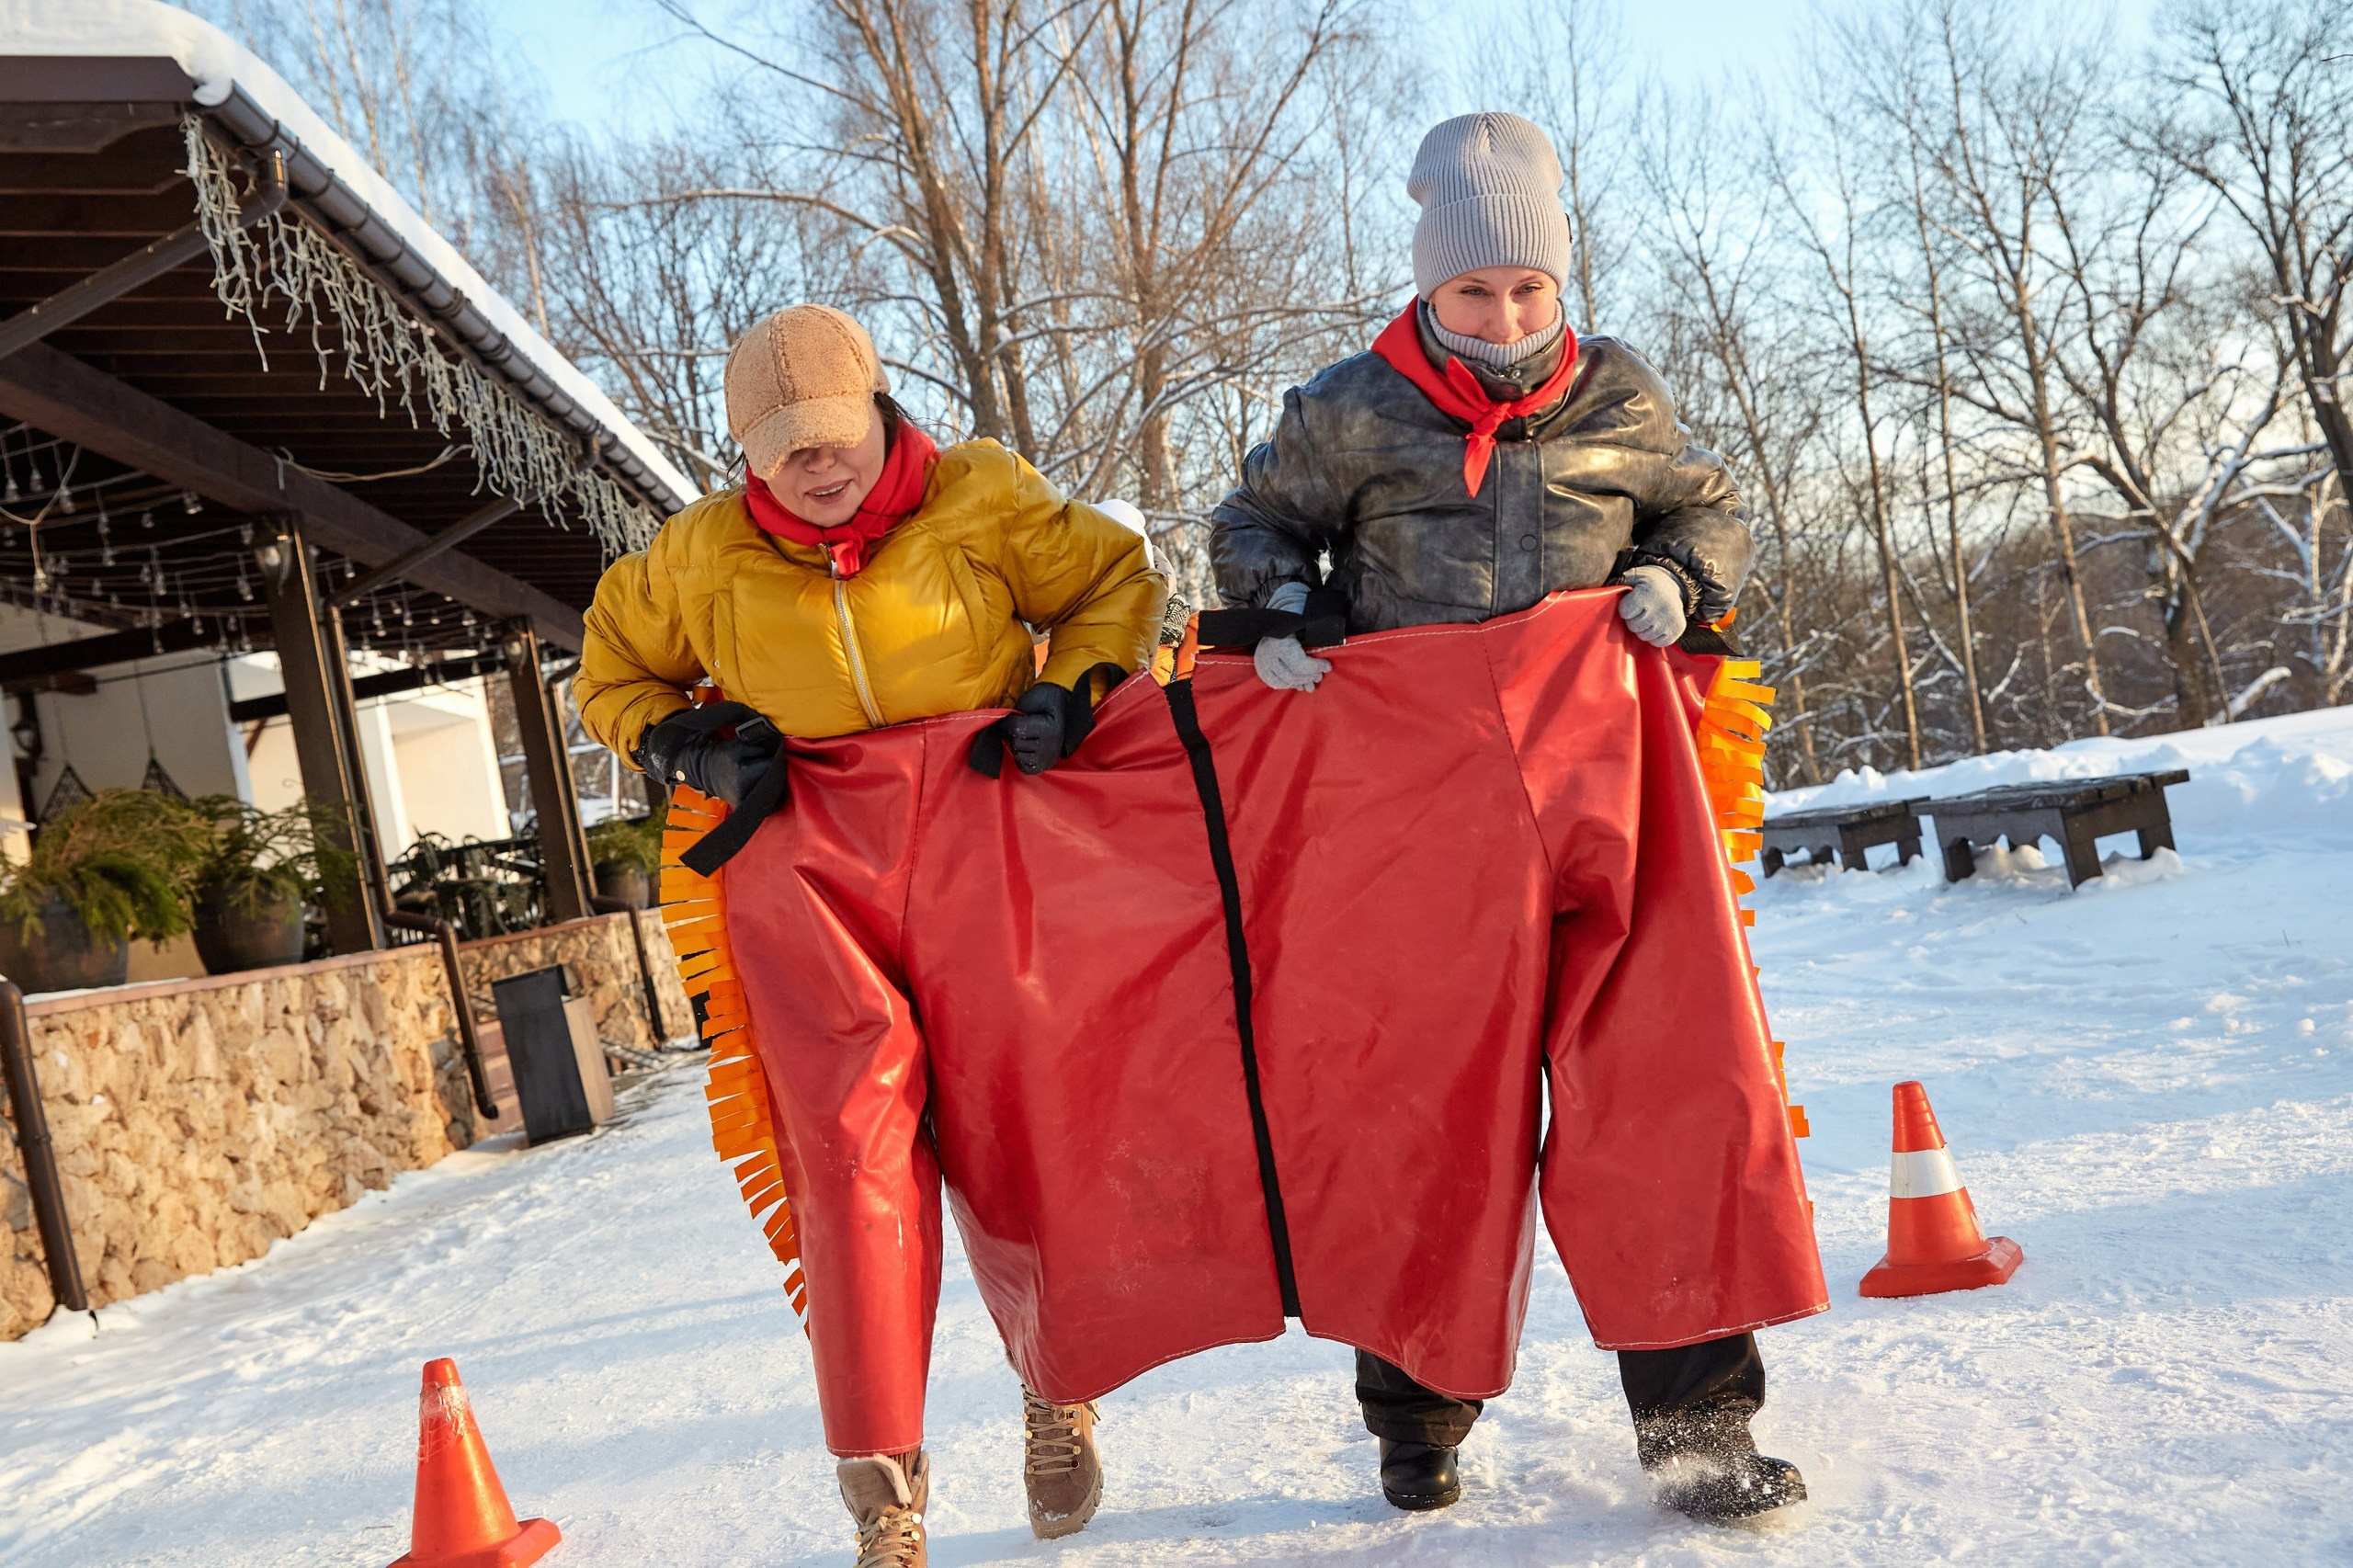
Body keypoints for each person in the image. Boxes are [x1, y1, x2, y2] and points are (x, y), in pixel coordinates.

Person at [1208, 111, 1804, 1525]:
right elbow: (1252, 525)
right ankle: (1417, 1414)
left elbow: (1710, 508)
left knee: (1665, 1082)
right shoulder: (1350, 407)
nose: (1505, 315)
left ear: (1559, 281)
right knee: (1424, 1106)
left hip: (1605, 784)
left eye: (1529, 287)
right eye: (1475, 290)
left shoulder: (1618, 395)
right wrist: (1287, 607)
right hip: (1416, 813)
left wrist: (1675, 578)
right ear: (1429, 284)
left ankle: (1703, 1423)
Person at [575, 303, 1166, 1567]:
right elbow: (611, 668)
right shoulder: (698, 555)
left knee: (1020, 1127)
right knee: (847, 1163)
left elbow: (1116, 580)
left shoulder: (980, 494)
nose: (821, 468)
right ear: (748, 457)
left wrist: (1076, 682)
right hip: (805, 859)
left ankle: (1056, 1385)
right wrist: (677, 737)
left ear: (877, 409)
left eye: (835, 438)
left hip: (987, 833)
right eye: (789, 454)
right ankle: (884, 1499)